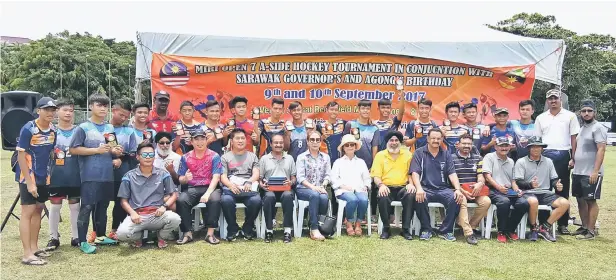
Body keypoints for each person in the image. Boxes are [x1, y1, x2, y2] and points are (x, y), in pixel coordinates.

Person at [70, 93, 122, 254]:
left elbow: (113, 149)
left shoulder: (109, 128)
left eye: (105, 106)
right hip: (89, 175)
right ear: (91, 106)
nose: (103, 109)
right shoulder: (83, 127)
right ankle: (82, 241)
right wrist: (96, 150)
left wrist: (117, 153)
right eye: (99, 105)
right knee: (87, 207)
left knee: (103, 205)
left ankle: (100, 235)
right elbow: (73, 149)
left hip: (107, 174)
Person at [15, 97, 57, 265]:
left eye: (52, 110)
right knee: (27, 212)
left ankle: (34, 248)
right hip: (28, 176)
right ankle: (26, 254)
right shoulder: (29, 129)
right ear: (38, 110)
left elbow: (50, 153)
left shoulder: (53, 129)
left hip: (43, 176)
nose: (50, 113)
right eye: (46, 109)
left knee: (38, 209)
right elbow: (20, 156)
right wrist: (29, 182)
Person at [116, 142, 181, 248]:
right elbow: (123, 201)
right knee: (121, 234)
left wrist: (164, 207)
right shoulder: (129, 176)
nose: (148, 158)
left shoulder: (163, 174)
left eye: (151, 155)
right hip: (138, 215)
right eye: (144, 155)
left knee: (175, 219)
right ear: (137, 157)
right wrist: (132, 213)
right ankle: (138, 237)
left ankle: (160, 237)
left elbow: (173, 194)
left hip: (157, 214)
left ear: (154, 157)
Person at [534, 89, 580, 235]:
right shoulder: (541, 118)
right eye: (550, 99)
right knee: (544, 188)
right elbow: (538, 140)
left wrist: (573, 157)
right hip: (546, 154)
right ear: (547, 101)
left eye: (555, 98)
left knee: (562, 188)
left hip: (563, 154)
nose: (553, 101)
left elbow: (574, 139)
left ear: (561, 99)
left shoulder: (570, 116)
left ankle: (562, 224)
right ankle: (543, 221)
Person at [410, 129, 463, 242]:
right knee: (419, 198)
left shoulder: (446, 154)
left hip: (443, 189)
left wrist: (458, 189)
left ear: (442, 140)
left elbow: (452, 174)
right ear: (428, 139)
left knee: (456, 198)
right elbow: (415, 173)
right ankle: (426, 229)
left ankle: (446, 230)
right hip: (425, 188)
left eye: (438, 138)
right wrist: (419, 188)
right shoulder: (419, 153)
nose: (436, 140)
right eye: (433, 138)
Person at [514, 137, 571, 242]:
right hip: (528, 192)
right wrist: (530, 185)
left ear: (542, 149)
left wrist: (556, 185)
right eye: (533, 147)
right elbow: (518, 181)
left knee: (565, 203)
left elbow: (554, 179)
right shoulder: (521, 162)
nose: (536, 149)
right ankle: (533, 228)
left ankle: (544, 227)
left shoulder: (548, 161)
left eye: (538, 147)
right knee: (533, 201)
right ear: (529, 149)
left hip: (545, 192)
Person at [175, 130, 224, 245]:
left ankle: (210, 233)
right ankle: (187, 233)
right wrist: (185, 178)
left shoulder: (214, 156)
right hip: (193, 187)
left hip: (210, 187)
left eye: (202, 139)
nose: (200, 142)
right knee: (181, 200)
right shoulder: (185, 157)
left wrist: (207, 193)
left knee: (215, 200)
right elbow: (180, 179)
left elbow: (216, 177)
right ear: (191, 142)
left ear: (207, 141)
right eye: (196, 139)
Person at [46, 99, 81, 251]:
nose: (68, 113)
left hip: (74, 174)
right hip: (56, 175)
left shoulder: (79, 130)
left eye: (71, 110)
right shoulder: (50, 130)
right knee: (55, 206)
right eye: (64, 110)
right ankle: (53, 237)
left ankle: (76, 236)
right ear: (57, 112)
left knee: (75, 205)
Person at [371, 131, 417, 240]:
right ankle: (386, 229)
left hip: (403, 187)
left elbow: (411, 173)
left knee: (410, 195)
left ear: (400, 142)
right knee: (382, 196)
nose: (394, 143)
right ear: (387, 142)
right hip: (386, 186)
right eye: (391, 140)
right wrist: (381, 185)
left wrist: (411, 184)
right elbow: (376, 176)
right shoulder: (380, 155)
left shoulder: (408, 155)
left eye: (396, 140)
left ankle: (405, 230)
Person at [572, 100, 607, 240]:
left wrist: (595, 170)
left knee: (591, 200)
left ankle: (591, 231)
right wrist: (573, 159)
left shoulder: (598, 127)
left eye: (589, 111)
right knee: (580, 199)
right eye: (584, 111)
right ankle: (585, 226)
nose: (586, 113)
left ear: (594, 112)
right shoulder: (582, 128)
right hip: (578, 171)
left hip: (590, 172)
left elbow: (601, 149)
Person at [483, 137, 529, 243]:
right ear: (495, 146)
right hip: (493, 190)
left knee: (523, 203)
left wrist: (517, 190)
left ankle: (510, 229)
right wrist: (499, 187)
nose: (504, 148)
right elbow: (487, 176)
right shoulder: (489, 157)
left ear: (510, 147)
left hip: (508, 191)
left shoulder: (511, 161)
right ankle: (501, 231)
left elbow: (513, 181)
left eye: (506, 145)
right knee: (504, 202)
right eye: (501, 146)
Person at [220, 128, 263, 241]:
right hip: (232, 189)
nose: (240, 141)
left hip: (248, 189)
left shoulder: (252, 156)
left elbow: (256, 173)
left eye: (243, 138)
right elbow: (223, 176)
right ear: (231, 141)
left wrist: (250, 181)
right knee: (226, 200)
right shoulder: (225, 157)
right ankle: (233, 228)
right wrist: (230, 185)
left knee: (256, 201)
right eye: (237, 138)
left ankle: (247, 227)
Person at [108, 99, 138, 241]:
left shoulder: (129, 131)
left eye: (126, 116)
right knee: (100, 204)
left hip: (122, 173)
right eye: (121, 115)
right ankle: (97, 232)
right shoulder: (103, 128)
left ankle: (116, 229)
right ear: (114, 110)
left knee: (120, 201)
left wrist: (121, 159)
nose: (124, 118)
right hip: (102, 172)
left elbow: (133, 152)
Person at [451, 134, 489, 244]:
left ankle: (471, 226)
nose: (467, 146)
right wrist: (462, 191)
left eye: (469, 144)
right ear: (458, 145)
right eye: (464, 143)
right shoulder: (451, 158)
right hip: (459, 189)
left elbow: (480, 175)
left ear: (472, 145)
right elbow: (451, 179)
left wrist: (480, 184)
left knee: (486, 202)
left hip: (475, 190)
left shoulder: (478, 158)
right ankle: (468, 233)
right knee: (461, 199)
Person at [259, 134, 297, 243]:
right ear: (270, 144)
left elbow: (293, 177)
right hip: (269, 189)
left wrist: (291, 182)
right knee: (269, 197)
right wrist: (262, 184)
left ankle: (287, 231)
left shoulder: (289, 158)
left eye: (281, 142)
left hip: (285, 189)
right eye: (276, 142)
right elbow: (260, 178)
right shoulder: (264, 159)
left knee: (288, 196)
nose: (278, 145)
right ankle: (269, 230)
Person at [344, 99, 378, 219]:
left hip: (368, 165)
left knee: (368, 189)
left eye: (368, 108)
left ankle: (370, 215)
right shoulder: (350, 125)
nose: (365, 110)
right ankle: (346, 216)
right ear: (358, 110)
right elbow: (345, 144)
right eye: (363, 108)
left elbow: (375, 149)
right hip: (350, 164)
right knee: (349, 189)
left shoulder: (374, 128)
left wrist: (373, 168)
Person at [331, 134, 371, 236]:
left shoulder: (361, 162)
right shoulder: (338, 162)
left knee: (363, 199)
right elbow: (333, 179)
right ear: (343, 148)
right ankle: (349, 223)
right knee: (352, 199)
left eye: (352, 144)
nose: (349, 147)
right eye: (347, 145)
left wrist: (366, 187)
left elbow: (367, 178)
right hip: (343, 190)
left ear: (355, 146)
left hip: (359, 189)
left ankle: (358, 224)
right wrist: (343, 186)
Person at [295, 130, 330, 241]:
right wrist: (314, 187)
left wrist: (323, 185)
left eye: (317, 140)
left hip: (319, 188)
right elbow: (300, 178)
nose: (315, 142)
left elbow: (328, 175)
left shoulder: (326, 157)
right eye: (312, 140)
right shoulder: (301, 157)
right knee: (314, 195)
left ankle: (322, 227)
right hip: (304, 189)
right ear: (308, 142)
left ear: (321, 142)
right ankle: (313, 228)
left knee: (324, 198)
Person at [153, 132, 182, 207]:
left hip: (171, 191)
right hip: (153, 190)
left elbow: (178, 182)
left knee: (172, 206)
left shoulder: (177, 158)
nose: (165, 145)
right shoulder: (150, 156)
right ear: (156, 144)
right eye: (162, 143)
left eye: (167, 143)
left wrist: (171, 171)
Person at [316, 101, 346, 166]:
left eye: (336, 110)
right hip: (325, 161)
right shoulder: (320, 125)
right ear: (327, 110)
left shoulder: (343, 123)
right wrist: (322, 137)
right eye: (331, 109)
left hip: (340, 160)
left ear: (338, 111)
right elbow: (315, 142)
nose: (334, 112)